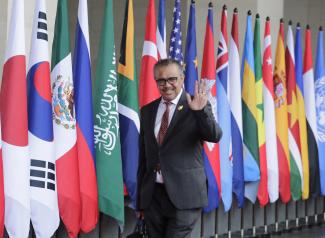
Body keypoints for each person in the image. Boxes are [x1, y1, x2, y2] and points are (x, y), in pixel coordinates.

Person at [137, 59, 222, 238]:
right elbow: (144, 158)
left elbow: (215, 136)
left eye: (172, 79)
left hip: (185, 196)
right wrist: (141, 202)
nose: (167, 85)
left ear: (182, 79)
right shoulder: (147, 111)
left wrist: (200, 112)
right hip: (153, 197)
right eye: (161, 80)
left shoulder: (196, 104)